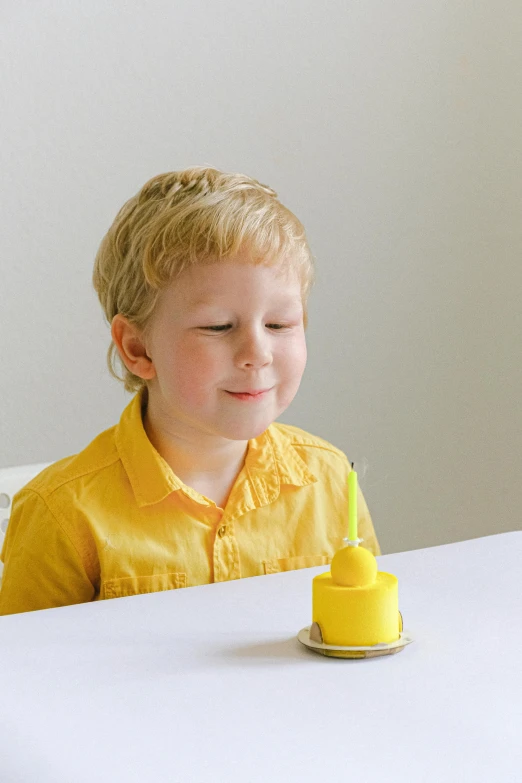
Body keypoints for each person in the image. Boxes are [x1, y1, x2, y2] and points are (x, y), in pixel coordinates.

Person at [0, 166, 380, 615]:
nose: (256, 353)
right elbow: (27, 677)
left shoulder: (332, 481)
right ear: (138, 347)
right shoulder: (61, 515)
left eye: (279, 324)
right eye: (218, 326)